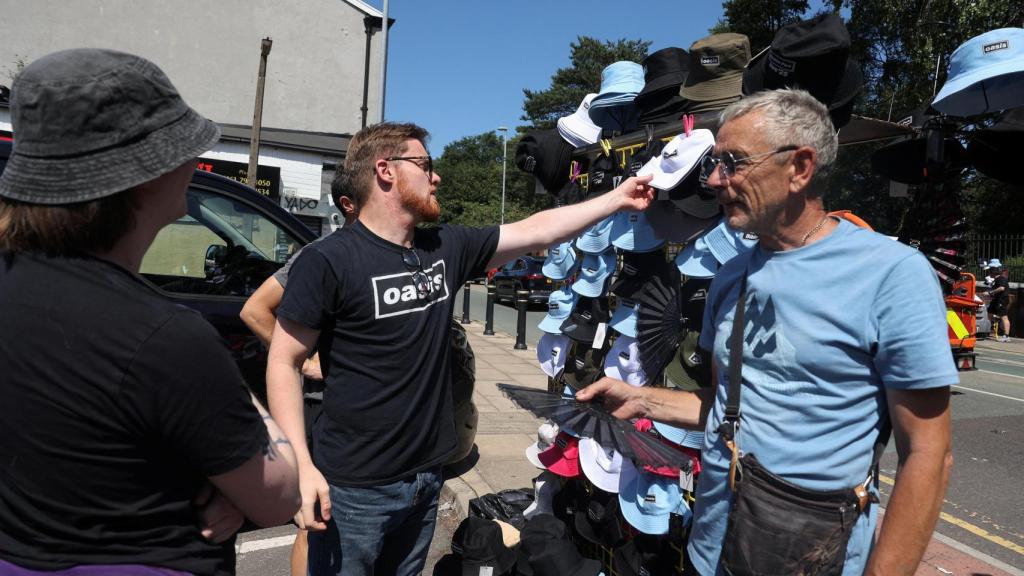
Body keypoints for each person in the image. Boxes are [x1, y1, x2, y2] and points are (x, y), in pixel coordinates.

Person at [578, 89, 956, 575]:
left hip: (810, 554)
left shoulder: (892, 274)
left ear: (800, 168)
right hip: (709, 549)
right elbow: (727, 407)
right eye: (715, 164)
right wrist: (641, 399)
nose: (714, 179)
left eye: (732, 163)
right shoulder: (732, 275)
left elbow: (928, 453)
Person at [266, 121, 654, 576]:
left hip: (427, 476)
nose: (436, 177)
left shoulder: (443, 247)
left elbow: (537, 230)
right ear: (385, 171)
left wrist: (618, 197)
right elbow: (283, 360)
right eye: (424, 164)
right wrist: (301, 468)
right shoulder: (328, 259)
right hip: (355, 488)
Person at [0, 49, 300, 575]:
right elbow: (277, 496)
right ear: (146, 178)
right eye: (183, 146)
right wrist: (231, 444)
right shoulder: (165, 338)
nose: (194, 158)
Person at [240, 178, 358, 576]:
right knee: (315, 522)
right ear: (350, 206)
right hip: (321, 412)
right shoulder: (322, 256)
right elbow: (254, 310)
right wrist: (306, 362)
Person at [986, 259, 1011, 342]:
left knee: (1004, 317)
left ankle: (1006, 336)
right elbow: (993, 290)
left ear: (993, 271)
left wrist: (991, 292)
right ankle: (990, 328)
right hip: (996, 300)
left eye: (990, 271)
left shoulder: (1001, 278)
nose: (989, 273)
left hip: (1002, 300)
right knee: (989, 312)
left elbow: (1001, 288)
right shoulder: (996, 280)